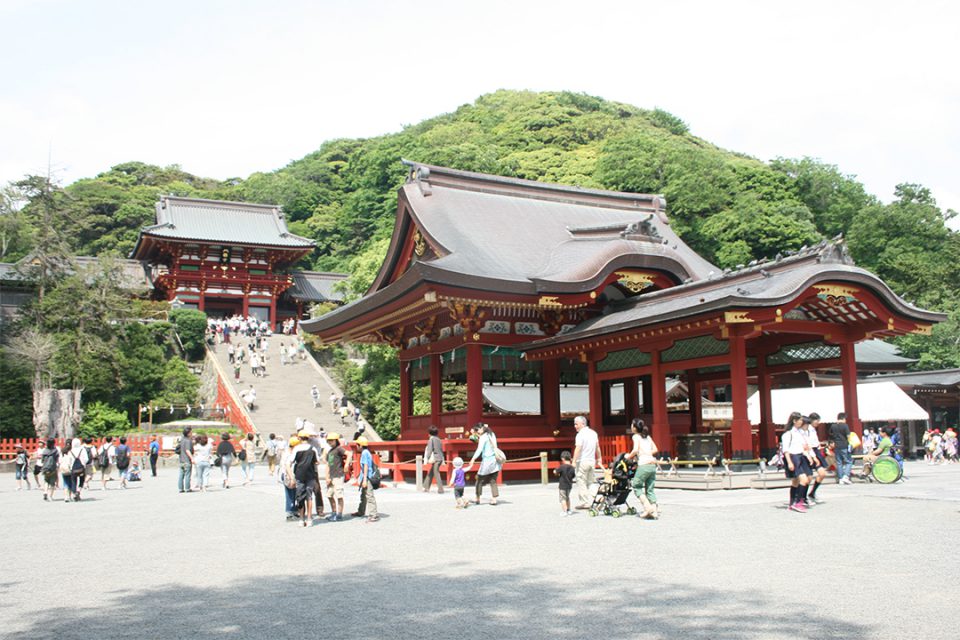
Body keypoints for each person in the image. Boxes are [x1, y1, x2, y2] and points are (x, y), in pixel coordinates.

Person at [625, 418, 659, 519]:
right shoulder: (647, 437)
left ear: (635, 428)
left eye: (632, 425)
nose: (631, 426)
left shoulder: (636, 436)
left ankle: (647, 507)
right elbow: (655, 449)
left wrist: (628, 456)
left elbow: (635, 450)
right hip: (652, 464)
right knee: (650, 489)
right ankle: (654, 511)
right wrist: (647, 453)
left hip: (643, 465)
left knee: (636, 485)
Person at [782, 411, 812, 513]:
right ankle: (798, 502)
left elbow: (803, 446)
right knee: (803, 480)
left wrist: (808, 456)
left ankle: (792, 503)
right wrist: (789, 462)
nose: (801, 422)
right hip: (793, 456)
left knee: (796, 481)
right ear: (794, 421)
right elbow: (786, 450)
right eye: (800, 420)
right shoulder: (788, 434)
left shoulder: (799, 433)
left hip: (801, 456)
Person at [465, 423, 501, 506]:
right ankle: (494, 499)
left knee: (479, 480)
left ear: (481, 429)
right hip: (495, 460)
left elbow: (479, 449)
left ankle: (477, 498)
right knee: (493, 480)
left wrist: (473, 459)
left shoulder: (483, 437)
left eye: (478, 430)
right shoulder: (492, 434)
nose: (478, 432)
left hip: (487, 461)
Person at [571, 416, 602, 509]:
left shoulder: (580, 435)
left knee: (581, 481)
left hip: (582, 461)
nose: (575, 426)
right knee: (591, 482)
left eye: (576, 424)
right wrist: (599, 458)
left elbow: (578, 448)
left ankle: (584, 502)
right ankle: (599, 497)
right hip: (591, 461)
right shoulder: (593, 433)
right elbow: (597, 447)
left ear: (583, 424)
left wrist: (573, 461)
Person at [291, 434, 319, 527]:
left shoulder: (296, 448)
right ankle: (309, 519)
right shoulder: (313, 448)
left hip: (299, 474)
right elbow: (317, 462)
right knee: (309, 496)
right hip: (310, 474)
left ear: (299, 438)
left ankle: (301, 519)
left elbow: (291, 460)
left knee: (300, 496)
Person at [325, 432, 350, 521]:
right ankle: (333, 512)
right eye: (328, 441)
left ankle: (339, 514)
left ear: (336, 440)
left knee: (339, 495)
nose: (330, 442)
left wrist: (347, 464)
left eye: (331, 440)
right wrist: (327, 477)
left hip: (338, 475)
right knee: (329, 495)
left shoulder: (339, 449)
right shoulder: (329, 451)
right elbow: (327, 464)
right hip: (331, 476)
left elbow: (349, 454)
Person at [355, 437, 379, 523]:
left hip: (368, 478)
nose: (356, 446)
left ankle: (373, 514)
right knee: (363, 495)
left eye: (357, 445)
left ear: (360, 445)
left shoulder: (364, 453)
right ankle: (361, 511)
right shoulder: (366, 452)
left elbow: (366, 466)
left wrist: (364, 479)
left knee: (369, 495)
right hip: (366, 477)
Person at [805, 414, 827, 505]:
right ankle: (803, 496)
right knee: (808, 476)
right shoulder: (807, 429)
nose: (818, 422)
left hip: (816, 451)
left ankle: (812, 493)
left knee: (822, 473)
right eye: (816, 420)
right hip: (809, 451)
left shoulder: (813, 429)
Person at [829, 412, 852, 485]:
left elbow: (830, 434)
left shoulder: (833, 426)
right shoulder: (845, 426)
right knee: (849, 461)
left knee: (839, 462)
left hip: (836, 446)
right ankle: (846, 476)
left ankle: (840, 478)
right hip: (844, 445)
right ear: (843, 418)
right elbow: (848, 436)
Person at [280, 435, 299, 521]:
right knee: (290, 494)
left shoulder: (289, 452)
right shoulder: (288, 454)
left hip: (290, 475)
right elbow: (287, 467)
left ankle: (294, 510)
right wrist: (291, 478)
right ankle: (289, 513)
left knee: (294, 494)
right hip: (288, 475)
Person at [422, 426, 445, 493]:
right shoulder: (439, 439)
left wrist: (427, 458)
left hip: (436, 458)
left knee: (436, 473)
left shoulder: (431, 439)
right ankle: (426, 487)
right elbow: (441, 450)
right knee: (431, 472)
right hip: (440, 458)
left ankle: (440, 489)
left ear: (429, 433)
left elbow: (430, 449)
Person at [554, 451, 575, 516]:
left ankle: (565, 511)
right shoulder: (572, 467)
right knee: (567, 498)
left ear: (563, 458)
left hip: (562, 485)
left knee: (563, 499)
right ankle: (569, 510)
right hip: (569, 485)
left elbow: (555, 471)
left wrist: (554, 471)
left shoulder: (562, 466)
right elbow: (573, 476)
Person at [178, 427, 194, 493]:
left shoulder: (182, 440)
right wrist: (192, 458)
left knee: (181, 475)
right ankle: (187, 488)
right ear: (188, 433)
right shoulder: (188, 440)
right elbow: (187, 450)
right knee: (187, 475)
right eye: (191, 432)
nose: (192, 433)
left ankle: (180, 488)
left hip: (181, 459)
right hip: (187, 460)